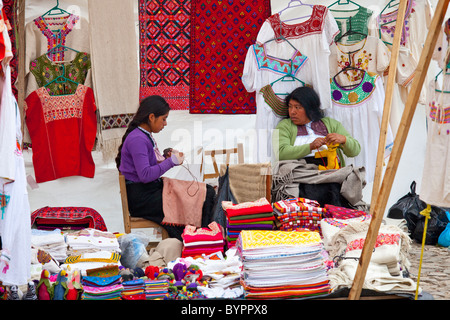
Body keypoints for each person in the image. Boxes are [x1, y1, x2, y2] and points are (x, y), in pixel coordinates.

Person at [115, 95, 215, 240]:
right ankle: (200, 241)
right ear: (151, 117)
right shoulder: (138, 139)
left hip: (148, 191)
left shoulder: (143, 135)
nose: (165, 123)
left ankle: (198, 241)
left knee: (206, 191)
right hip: (143, 199)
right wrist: (171, 162)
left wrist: (166, 158)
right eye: (163, 118)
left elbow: (148, 167)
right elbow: (145, 174)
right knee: (204, 195)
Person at [274, 86, 361, 166]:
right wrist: (310, 146)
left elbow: (355, 151)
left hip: (331, 173)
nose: (292, 111)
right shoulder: (284, 126)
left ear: (310, 108)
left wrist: (343, 140)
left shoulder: (331, 124)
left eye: (297, 107)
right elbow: (280, 153)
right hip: (300, 174)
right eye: (290, 106)